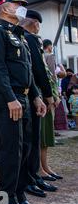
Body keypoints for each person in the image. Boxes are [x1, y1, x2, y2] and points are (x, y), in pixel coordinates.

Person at [0, 0, 47, 204]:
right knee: (11, 151)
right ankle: (4, 202)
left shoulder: (19, 36)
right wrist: (11, 98)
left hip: (23, 98)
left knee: (26, 149)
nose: (21, 7)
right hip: (6, 99)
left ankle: (19, 196)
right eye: (17, 4)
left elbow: (27, 70)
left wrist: (36, 96)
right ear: (4, 7)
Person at [21, 10, 58, 197]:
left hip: (32, 94)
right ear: (34, 23)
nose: (38, 27)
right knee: (33, 139)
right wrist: (48, 95)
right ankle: (32, 176)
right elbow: (38, 70)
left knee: (34, 139)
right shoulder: (31, 39)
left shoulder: (24, 38)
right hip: (34, 95)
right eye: (38, 24)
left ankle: (35, 176)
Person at [40, 39, 63, 181]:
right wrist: (51, 98)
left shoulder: (45, 62)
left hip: (50, 101)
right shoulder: (43, 60)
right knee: (41, 138)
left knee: (46, 138)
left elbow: (52, 80)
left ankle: (45, 166)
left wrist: (56, 96)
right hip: (43, 102)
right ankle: (39, 168)